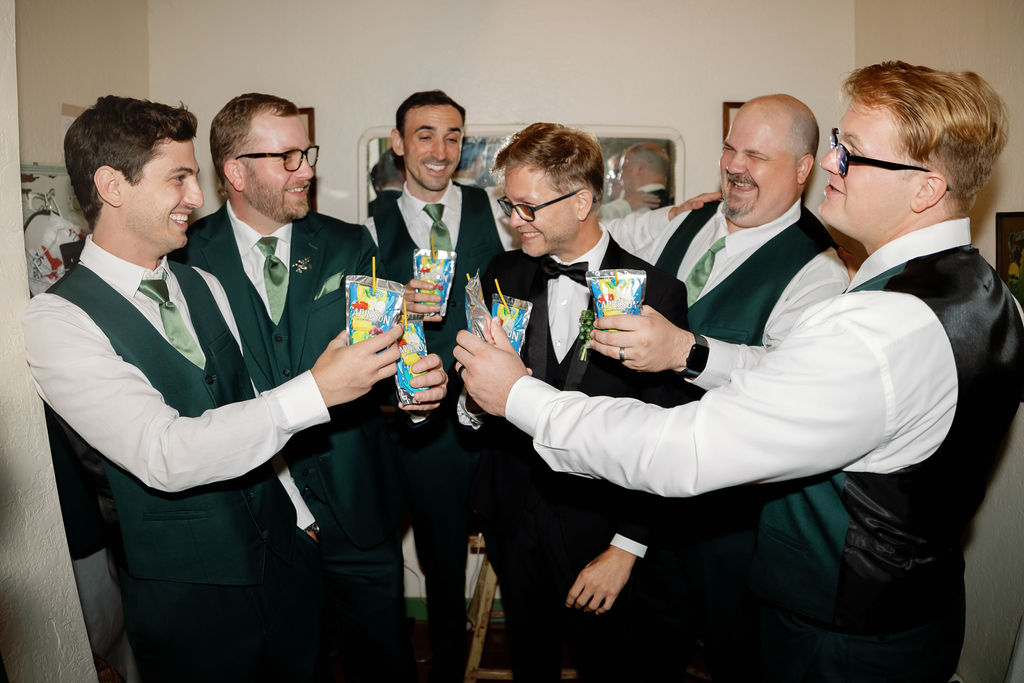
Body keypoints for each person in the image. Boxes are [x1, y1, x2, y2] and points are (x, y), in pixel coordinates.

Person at [454, 61, 1024, 682]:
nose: (831, 164)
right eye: (837, 144)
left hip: (840, 635)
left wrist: (519, 396)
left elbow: (683, 447)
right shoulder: (988, 295)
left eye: (850, 154)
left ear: (924, 188)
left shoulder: (875, 325)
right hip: (915, 607)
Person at [22, 95, 446, 683]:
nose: (197, 198)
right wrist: (318, 389)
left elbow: (244, 409)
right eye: (180, 178)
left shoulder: (198, 285)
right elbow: (163, 454)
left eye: (194, 177)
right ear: (112, 186)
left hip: (284, 561)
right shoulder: (56, 321)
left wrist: (298, 520)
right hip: (190, 595)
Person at [175, 92, 432, 682]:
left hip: (358, 505)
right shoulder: (186, 258)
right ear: (235, 171)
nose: (308, 169)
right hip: (256, 519)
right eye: (287, 157)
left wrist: (417, 393)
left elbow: (389, 357)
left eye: (307, 153)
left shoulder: (349, 245)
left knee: (385, 663)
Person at [601, 94, 849, 681]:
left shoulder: (821, 270)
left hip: (740, 526)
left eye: (756, 156)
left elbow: (793, 380)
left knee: (742, 662)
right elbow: (590, 239)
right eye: (730, 148)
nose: (735, 165)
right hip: (649, 503)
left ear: (803, 169)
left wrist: (689, 353)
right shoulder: (687, 221)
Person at [466, 122, 688, 681]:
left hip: (603, 526)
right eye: (507, 205)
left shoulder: (657, 294)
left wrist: (626, 548)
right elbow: (482, 396)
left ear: (584, 200)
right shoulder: (502, 273)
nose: (514, 221)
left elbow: (667, 432)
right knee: (528, 662)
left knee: (608, 664)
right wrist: (466, 401)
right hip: (512, 514)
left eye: (528, 207)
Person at [365, 89, 513, 682]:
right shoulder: (367, 226)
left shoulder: (494, 209)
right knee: (429, 558)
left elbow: (570, 229)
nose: (440, 149)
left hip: (492, 408)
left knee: (487, 552)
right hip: (415, 418)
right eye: (425, 134)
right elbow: (354, 315)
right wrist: (393, 301)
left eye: (453, 136)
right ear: (398, 143)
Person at [599, 142, 673, 218]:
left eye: (623, 169)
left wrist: (625, 205)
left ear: (639, 169)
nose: (620, 176)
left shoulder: (632, 216)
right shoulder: (674, 206)